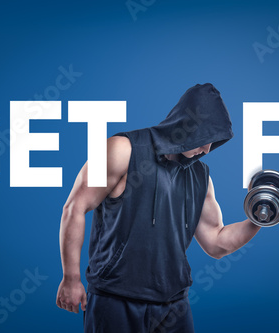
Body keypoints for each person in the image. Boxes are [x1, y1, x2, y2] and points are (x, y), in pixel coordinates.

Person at [56, 83, 261, 332]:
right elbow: (74, 208)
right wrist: (71, 278)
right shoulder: (120, 150)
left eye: (214, 141)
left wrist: (259, 217)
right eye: (205, 138)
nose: (207, 149)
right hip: (116, 298)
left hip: (173, 305)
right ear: (187, 124)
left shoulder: (200, 177)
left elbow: (217, 243)